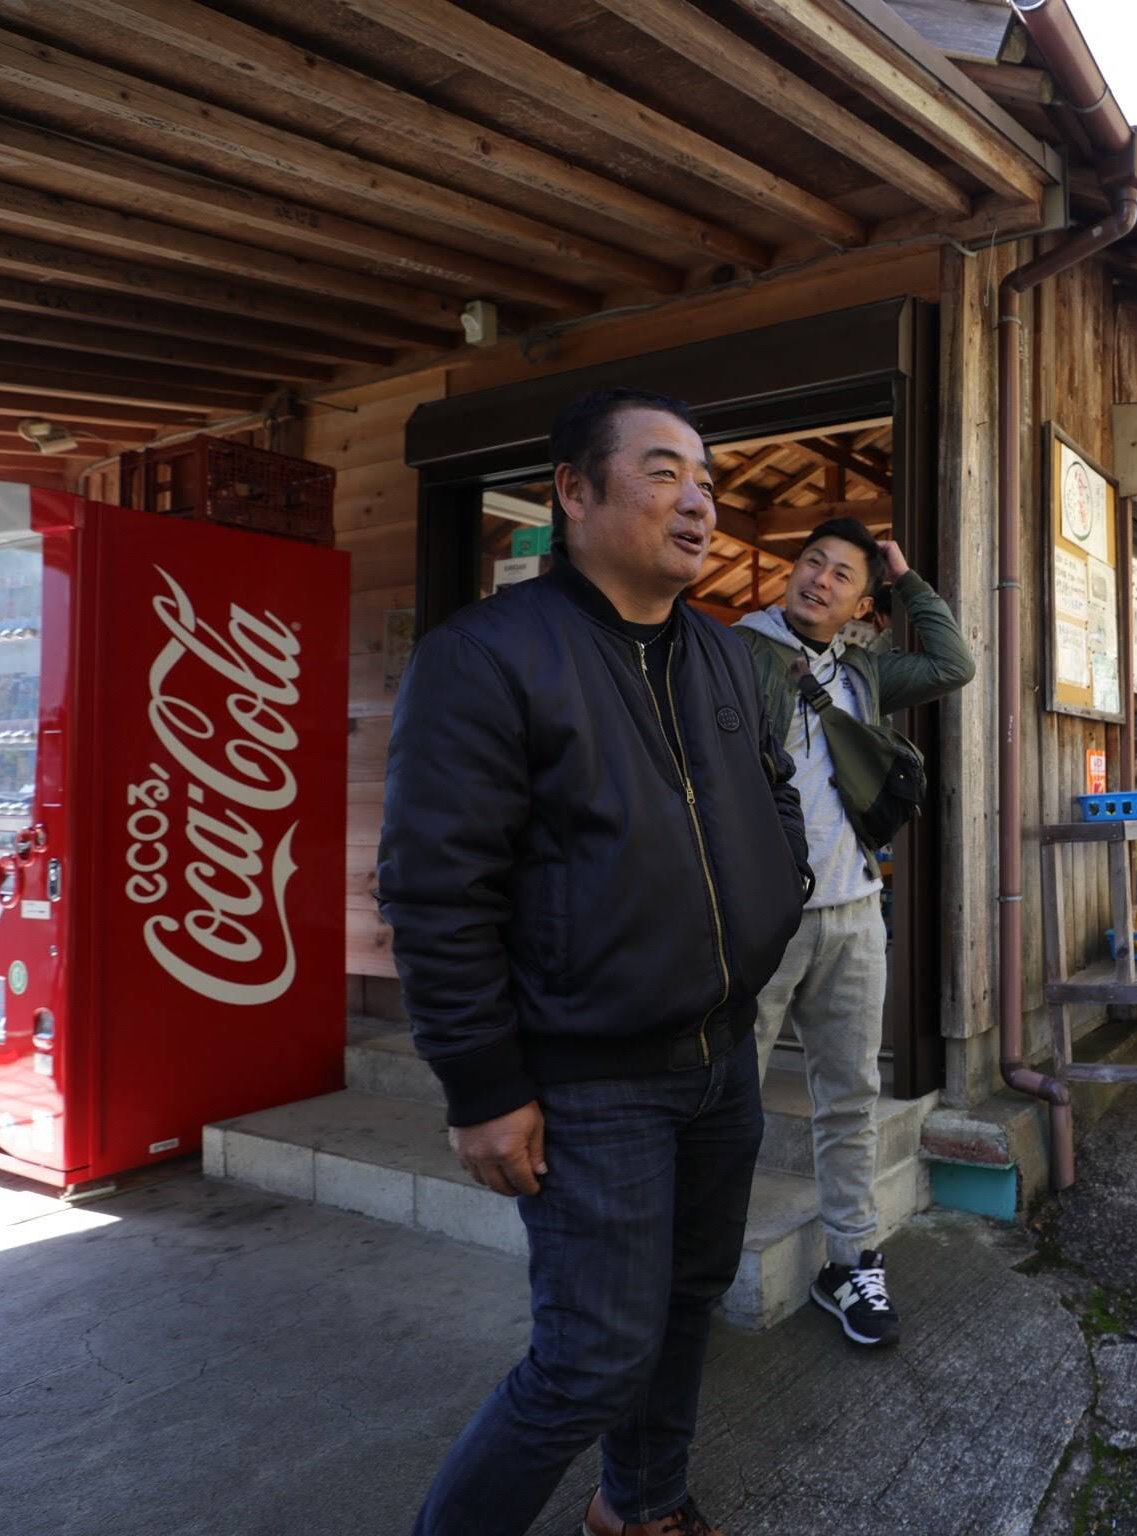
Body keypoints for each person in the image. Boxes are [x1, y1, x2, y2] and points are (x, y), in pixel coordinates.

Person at [380, 388, 811, 1536]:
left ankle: (641, 1508)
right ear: (574, 491)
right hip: (590, 1079)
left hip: (722, 1058)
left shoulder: (725, 659)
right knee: (588, 1359)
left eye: (706, 480)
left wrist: (779, 896)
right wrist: (483, 1085)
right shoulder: (485, 657)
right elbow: (436, 890)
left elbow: (774, 799)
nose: (699, 501)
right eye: (663, 472)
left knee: (688, 1301)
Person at [734, 518, 976, 1347]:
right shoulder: (735, 653)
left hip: (855, 913)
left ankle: (850, 1261)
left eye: (842, 575)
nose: (820, 580)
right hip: (760, 921)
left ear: (862, 604)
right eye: (812, 562)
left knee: (849, 1100)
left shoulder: (865, 669)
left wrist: (905, 577)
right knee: (729, 1101)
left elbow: (953, 663)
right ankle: (696, 1262)